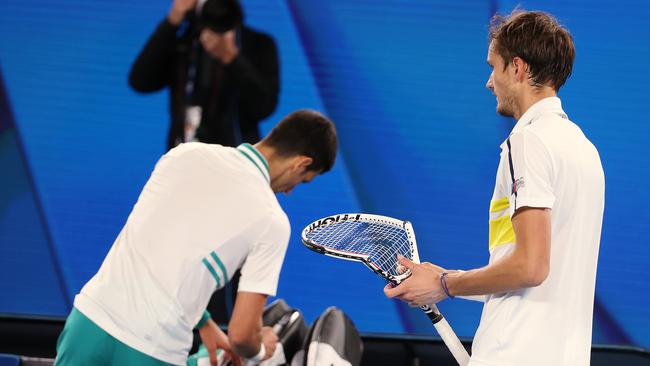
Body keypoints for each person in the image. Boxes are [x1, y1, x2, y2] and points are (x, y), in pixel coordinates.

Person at [384, 10, 605, 366]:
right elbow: (535, 274)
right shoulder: (584, 150)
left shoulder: (528, 142)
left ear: (516, 68)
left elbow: (531, 267)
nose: (489, 82)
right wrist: (448, 279)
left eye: (493, 67)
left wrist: (444, 285)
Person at [54, 110, 338, 366]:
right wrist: (263, 350)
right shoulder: (272, 222)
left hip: (89, 321)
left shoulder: (184, 154)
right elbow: (241, 336)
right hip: (151, 350)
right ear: (301, 164)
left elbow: (165, 247)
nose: (290, 190)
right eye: (303, 181)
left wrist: (202, 320)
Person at [129, 0, 279, 151]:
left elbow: (263, 108)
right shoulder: (184, 41)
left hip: (234, 162)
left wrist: (232, 59)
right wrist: (172, 21)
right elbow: (141, 82)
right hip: (183, 159)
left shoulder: (258, 44)